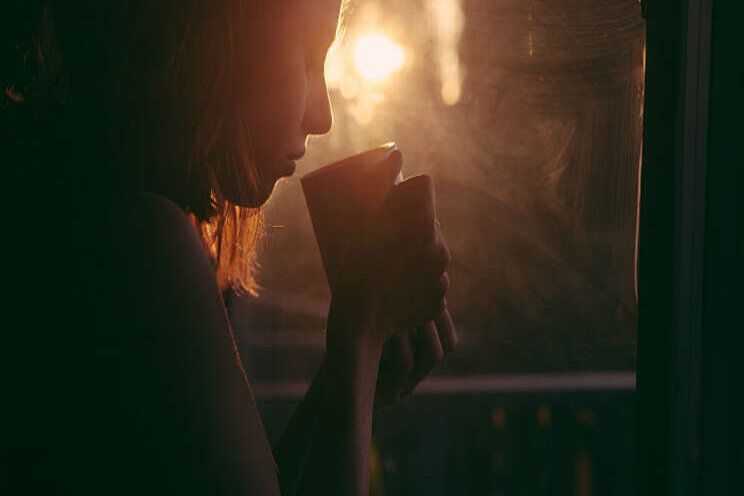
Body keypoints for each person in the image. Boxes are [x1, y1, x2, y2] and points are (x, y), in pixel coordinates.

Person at [3, 0, 455, 494]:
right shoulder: (139, 236)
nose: (322, 116)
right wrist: (363, 332)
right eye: (306, 55)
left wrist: (344, 380)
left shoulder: (87, 201)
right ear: (213, 41)